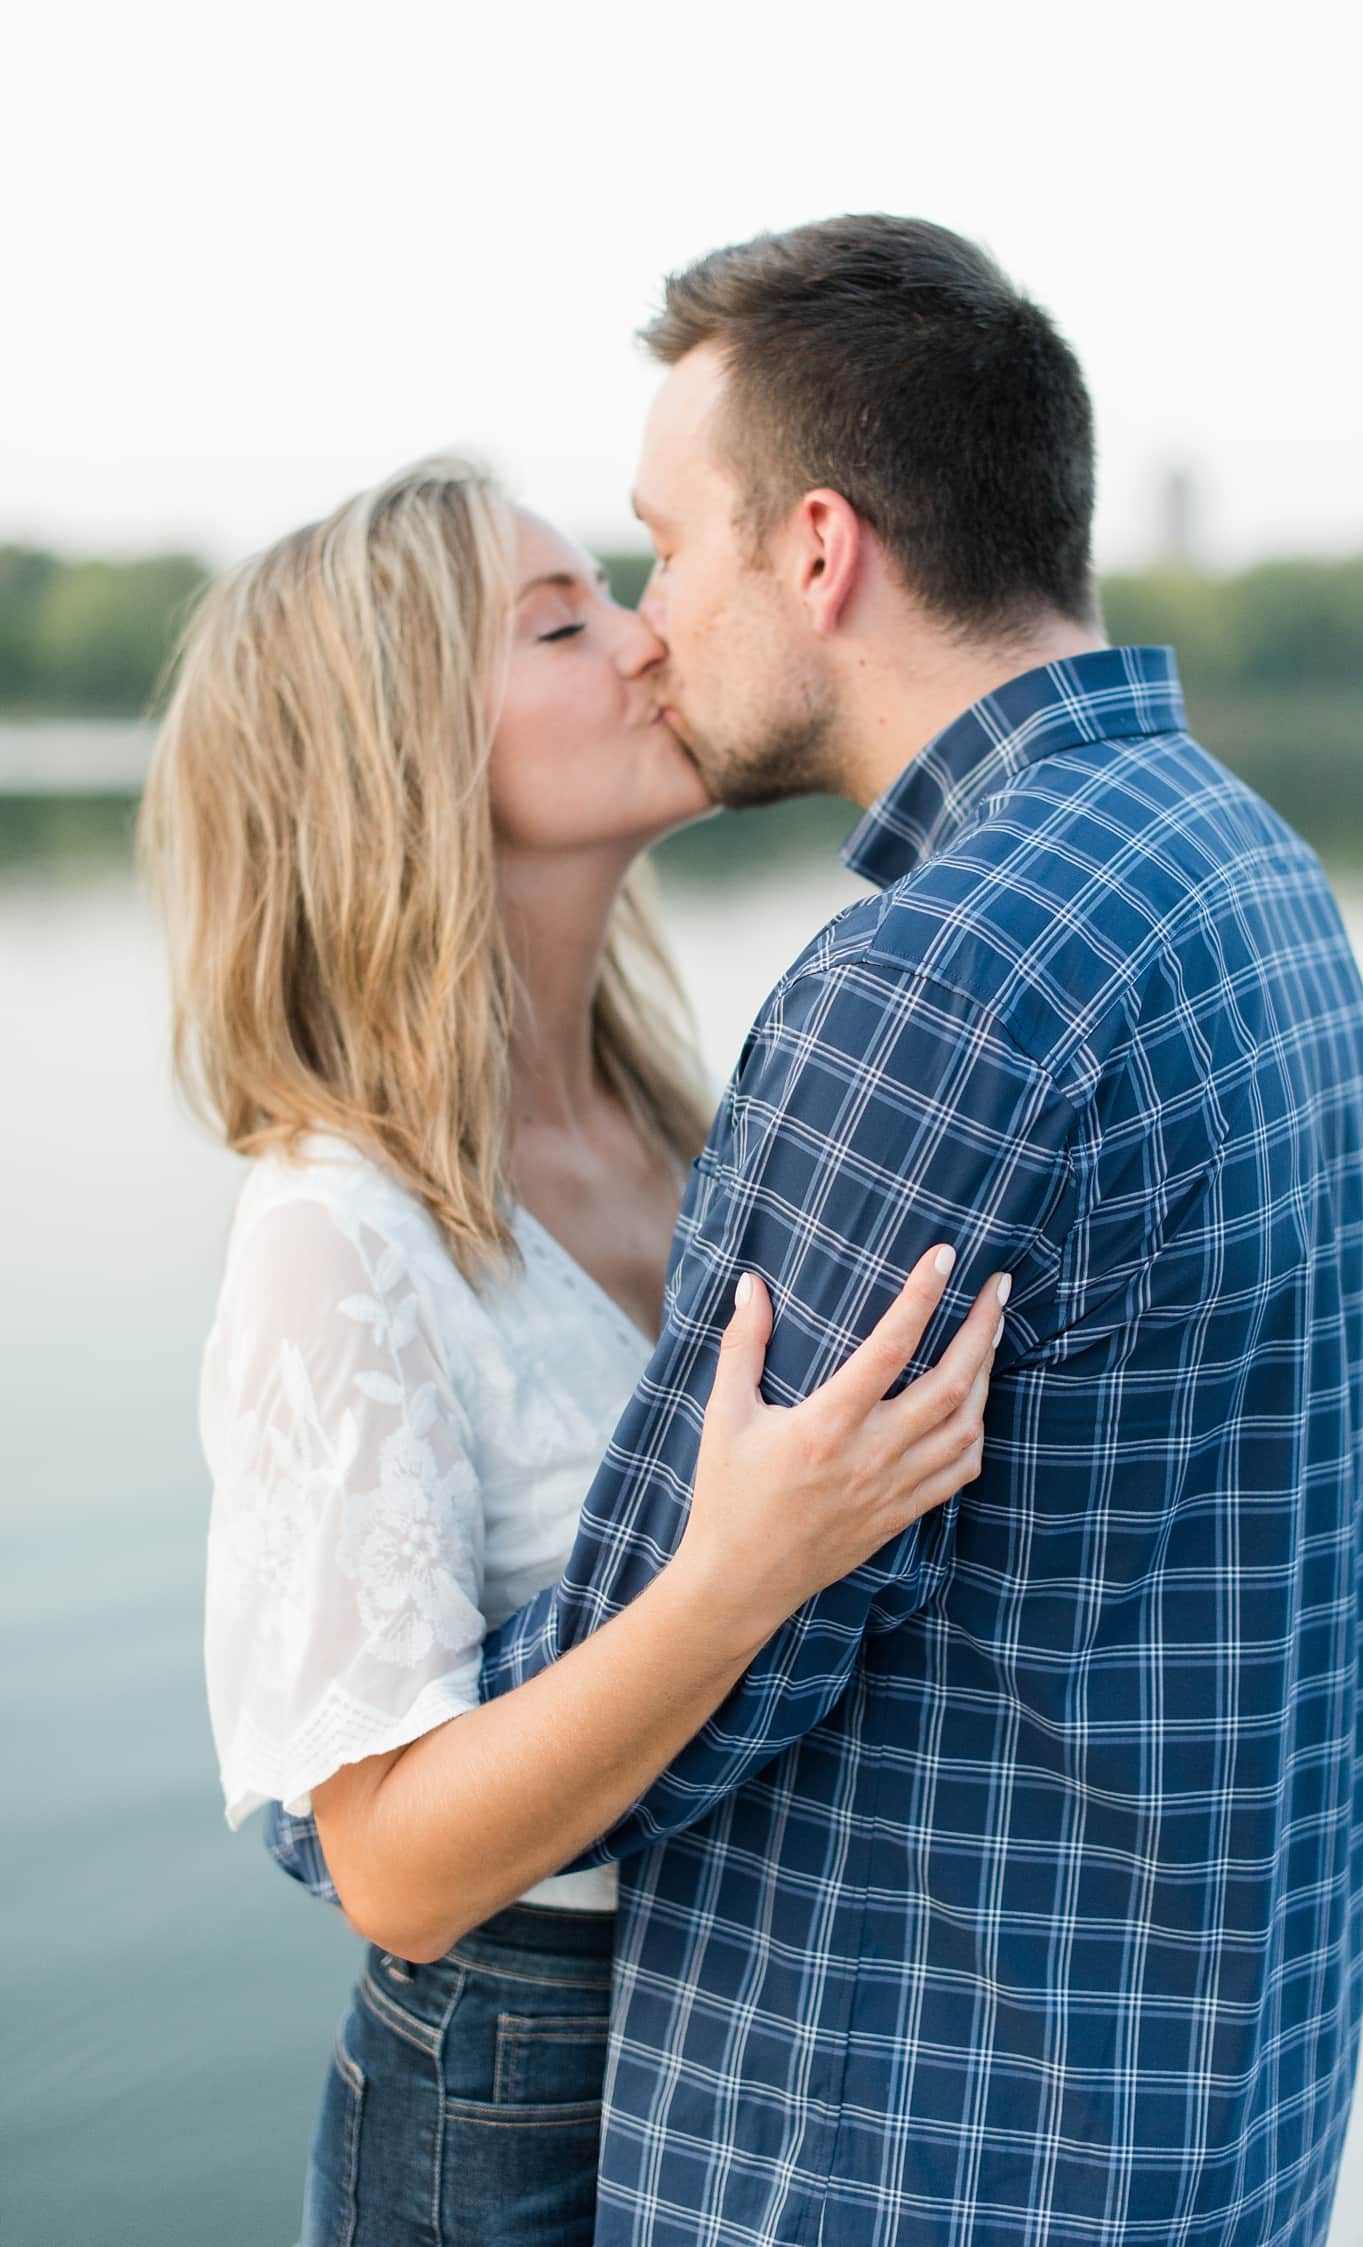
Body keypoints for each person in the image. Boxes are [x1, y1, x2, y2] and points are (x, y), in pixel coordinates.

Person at [273, 214, 1363, 2245]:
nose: (649, 622)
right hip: (1194, 2118)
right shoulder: (1246, 862)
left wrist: (342, 1787)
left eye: (665, 546)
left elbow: (688, 1666)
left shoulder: (931, 984)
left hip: (909, 2153)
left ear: (818, 551)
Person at [139, 458, 1008, 2247]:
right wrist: (741, 1572)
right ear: (395, 755)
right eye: (562, 622)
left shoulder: (681, 1118)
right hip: (503, 2087)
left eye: (618, 587)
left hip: (740, 2018)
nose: (649, 636)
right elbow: (389, 1865)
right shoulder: (336, 1234)